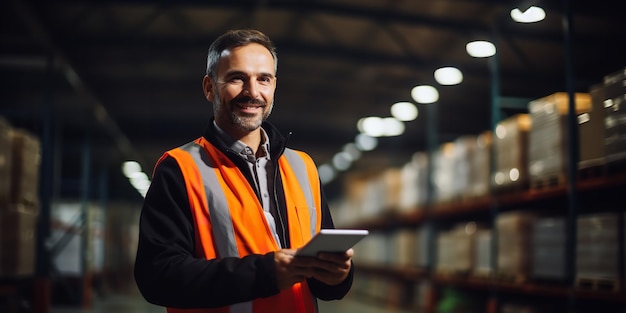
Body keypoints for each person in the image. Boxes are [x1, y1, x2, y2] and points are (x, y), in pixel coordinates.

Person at [133, 29, 354, 313]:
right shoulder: (179, 168)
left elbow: (323, 281)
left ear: (274, 86)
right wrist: (266, 273)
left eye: (264, 79)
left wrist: (338, 277)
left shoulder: (304, 167)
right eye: (237, 78)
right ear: (209, 87)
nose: (253, 92)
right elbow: (158, 277)